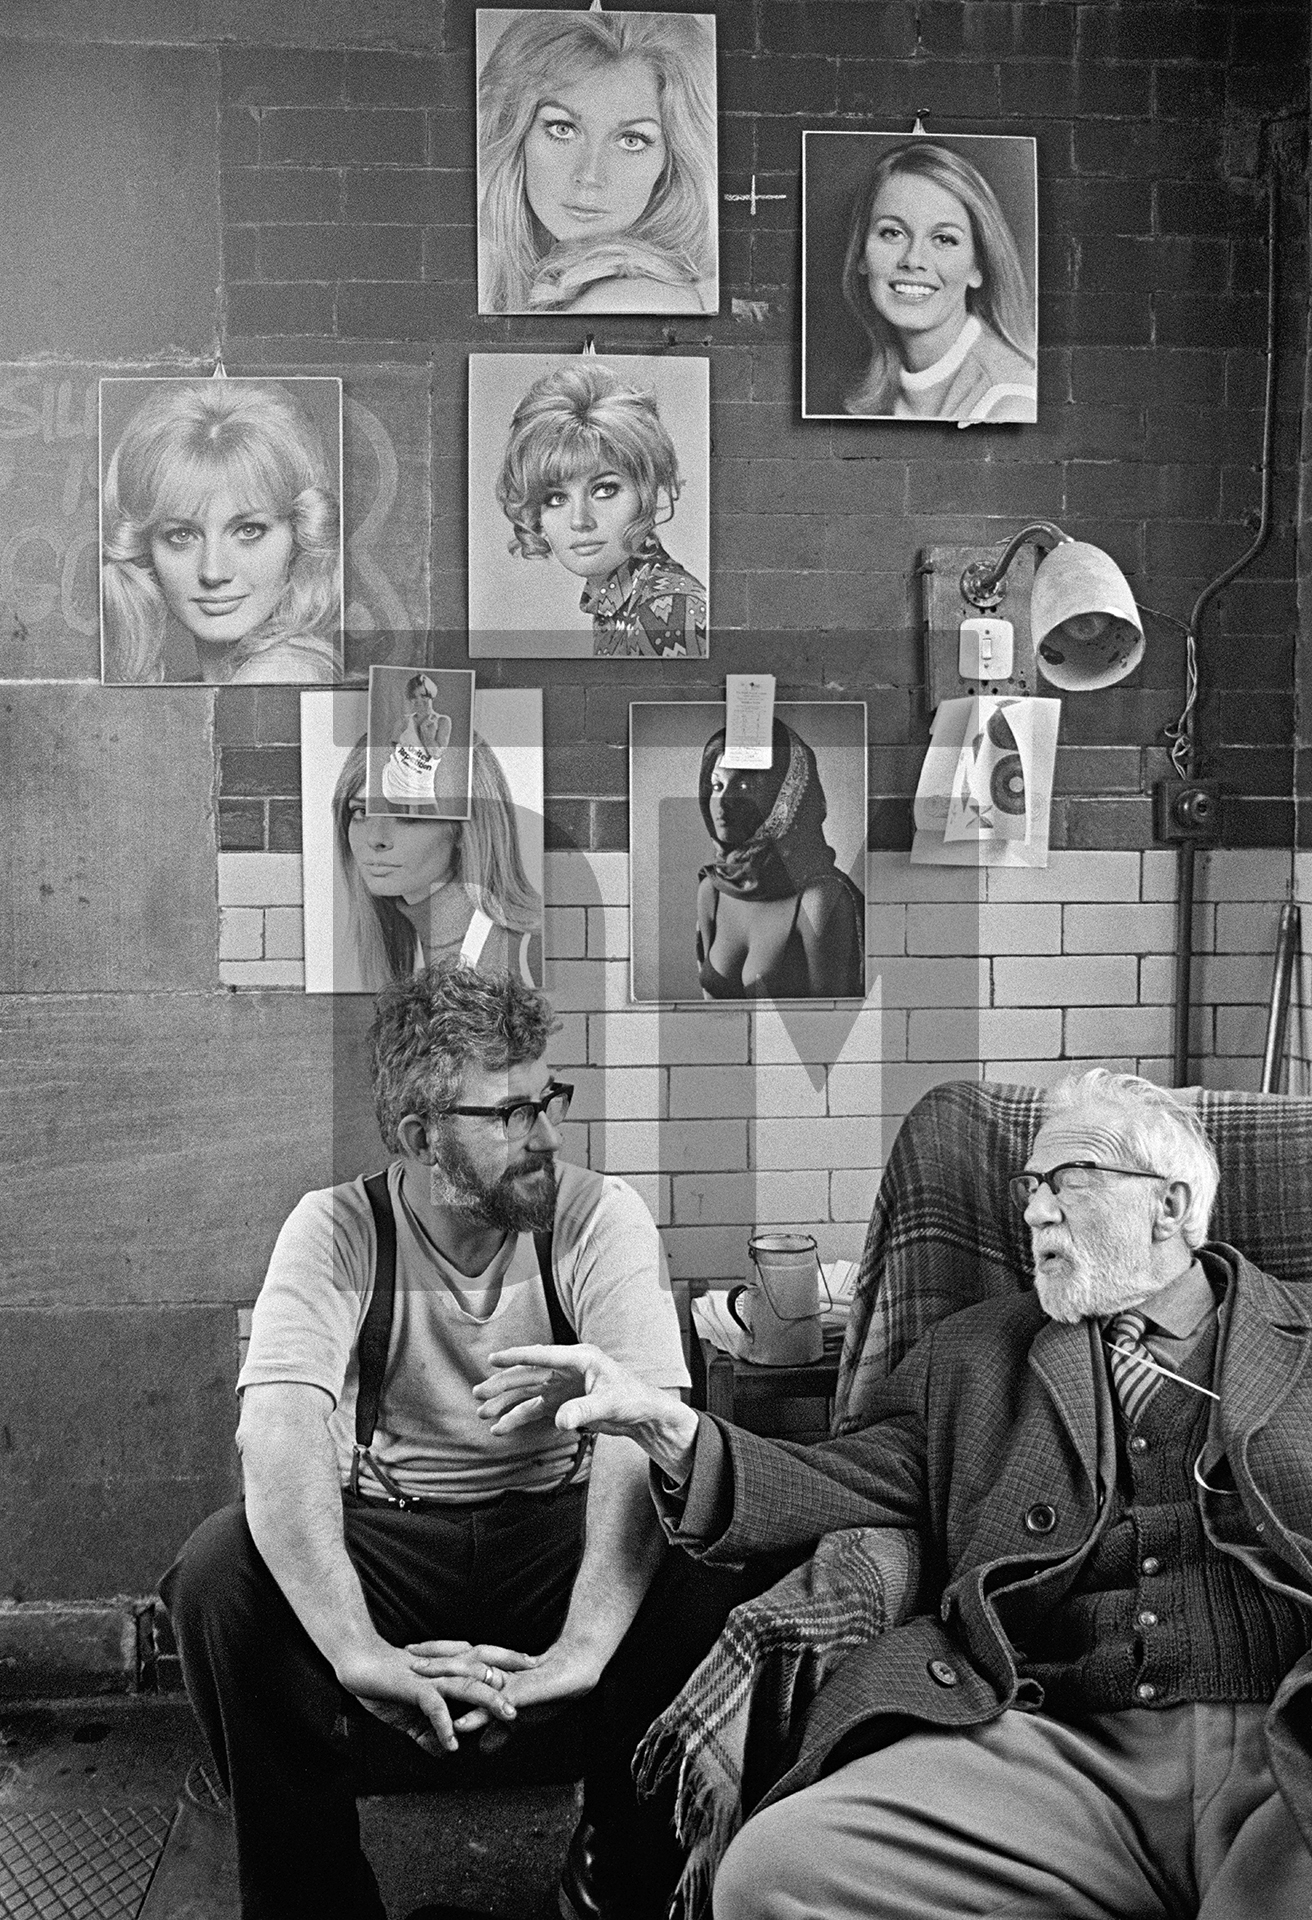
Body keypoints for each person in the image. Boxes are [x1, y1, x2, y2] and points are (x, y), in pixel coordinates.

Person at [479, 1069, 1312, 1919]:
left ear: (1168, 1209)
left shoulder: (1303, 1340)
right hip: (1063, 1748)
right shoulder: (976, 1356)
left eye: (1069, 1184)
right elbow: (832, 1476)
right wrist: (664, 1425)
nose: (1033, 1213)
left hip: (1288, 1742)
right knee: (774, 1873)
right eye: (1029, 1189)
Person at [160, 962, 690, 1920]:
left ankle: (624, 1870)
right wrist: (357, 1648)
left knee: (701, 1549)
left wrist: (584, 1644)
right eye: (511, 1115)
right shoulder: (335, 1229)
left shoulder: (595, 1217)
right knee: (216, 1572)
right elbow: (276, 1434)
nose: (549, 1135)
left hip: (554, 1534)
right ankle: (312, 1897)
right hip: (397, 1539)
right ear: (419, 1139)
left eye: (549, 1099)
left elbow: (641, 1434)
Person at [477, 9, 716, 316]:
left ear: (670, 162)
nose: (589, 175)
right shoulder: (502, 269)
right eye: (562, 129)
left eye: (632, 139)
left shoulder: (628, 298)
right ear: (517, 135)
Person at [101, 379, 342, 684]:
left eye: (249, 530)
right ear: (145, 549)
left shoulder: (275, 675)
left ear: (300, 535)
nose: (213, 572)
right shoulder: (217, 684)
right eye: (182, 535)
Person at [496, 360, 707, 659]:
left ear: (645, 489)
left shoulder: (669, 610)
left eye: (605, 490)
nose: (580, 520)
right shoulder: (624, 597)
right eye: (556, 498)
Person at [838, 141, 1036, 424]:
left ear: (977, 266)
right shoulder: (885, 381)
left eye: (944, 239)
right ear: (861, 255)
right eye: (893, 233)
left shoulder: (1010, 404)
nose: (913, 259)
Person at [332, 731, 542, 989]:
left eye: (407, 812)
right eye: (362, 811)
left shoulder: (524, 951)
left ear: (464, 830)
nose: (376, 838)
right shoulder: (404, 947)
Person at [696, 717, 865, 999]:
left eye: (745, 787)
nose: (723, 802)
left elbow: (833, 1027)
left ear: (783, 795)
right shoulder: (711, 890)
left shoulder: (819, 899)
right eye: (717, 786)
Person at [380, 673, 455, 809]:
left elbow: (436, 753)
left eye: (424, 695)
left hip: (423, 788)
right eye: (414, 697)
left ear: (431, 695)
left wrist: (425, 733)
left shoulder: (443, 721)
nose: (419, 700)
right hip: (395, 784)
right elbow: (391, 744)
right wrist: (404, 763)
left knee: (434, 825)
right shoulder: (403, 721)